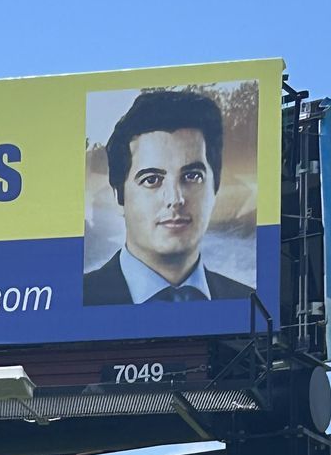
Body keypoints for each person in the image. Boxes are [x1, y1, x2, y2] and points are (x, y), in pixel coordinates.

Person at [82, 89, 254, 305]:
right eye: (152, 180)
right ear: (119, 196)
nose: (175, 199)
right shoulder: (80, 301)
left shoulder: (248, 303)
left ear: (215, 186)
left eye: (192, 176)